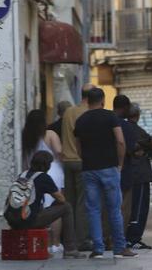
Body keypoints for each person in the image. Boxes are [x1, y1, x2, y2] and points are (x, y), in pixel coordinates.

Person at [74, 88, 136, 258]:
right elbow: (120, 141)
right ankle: (119, 248)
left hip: (89, 169)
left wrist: (86, 159)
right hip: (109, 168)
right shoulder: (111, 117)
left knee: (93, 210)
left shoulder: (81, 120)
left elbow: (78, 147)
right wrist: (120, 164)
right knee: (114, 209)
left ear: (87, 101)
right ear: (103, 100)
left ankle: (98, 248)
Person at [5, 151, 86, 259]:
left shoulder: (22, 175)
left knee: (40, 209)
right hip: (29, 221)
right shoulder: (43, 177)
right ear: (47, 165)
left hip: (14, 221)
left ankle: (43, 248)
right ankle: (70, 249)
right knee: (66, 207)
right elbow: (61, 199)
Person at [21, 109, 66, 253]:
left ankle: (43, 243)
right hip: (51, 171)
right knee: (54, 208)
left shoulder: (25, 137)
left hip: (32, 173)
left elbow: (24, 158)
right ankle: (55, 243)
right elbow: (59, 152)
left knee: (38, 207)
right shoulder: (50, 134)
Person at [61, 83, 94, 250]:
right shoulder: (89, 113)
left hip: (67, 161)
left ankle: (69, 241)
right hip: (82, 161)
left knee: (70, 203)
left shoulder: (68, 112)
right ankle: (81, 241)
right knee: (83, 203)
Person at [126, 103, 152, 250]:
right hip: (140, 175)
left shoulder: (122, 129)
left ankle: (128, 236)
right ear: (138, 115)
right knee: (140, 208)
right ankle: (134, 237)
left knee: (128, 206)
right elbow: (151, 149)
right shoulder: (141, 133)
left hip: (126, 174)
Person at [113, 95, 137, 230]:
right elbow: (129, 147)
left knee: (108, 207)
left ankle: (107, 238)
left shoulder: (106, 121)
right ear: (125, 108)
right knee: (124, 207)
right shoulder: (127, 126)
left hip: (105, 168)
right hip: (124, 170)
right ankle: (119, 239)